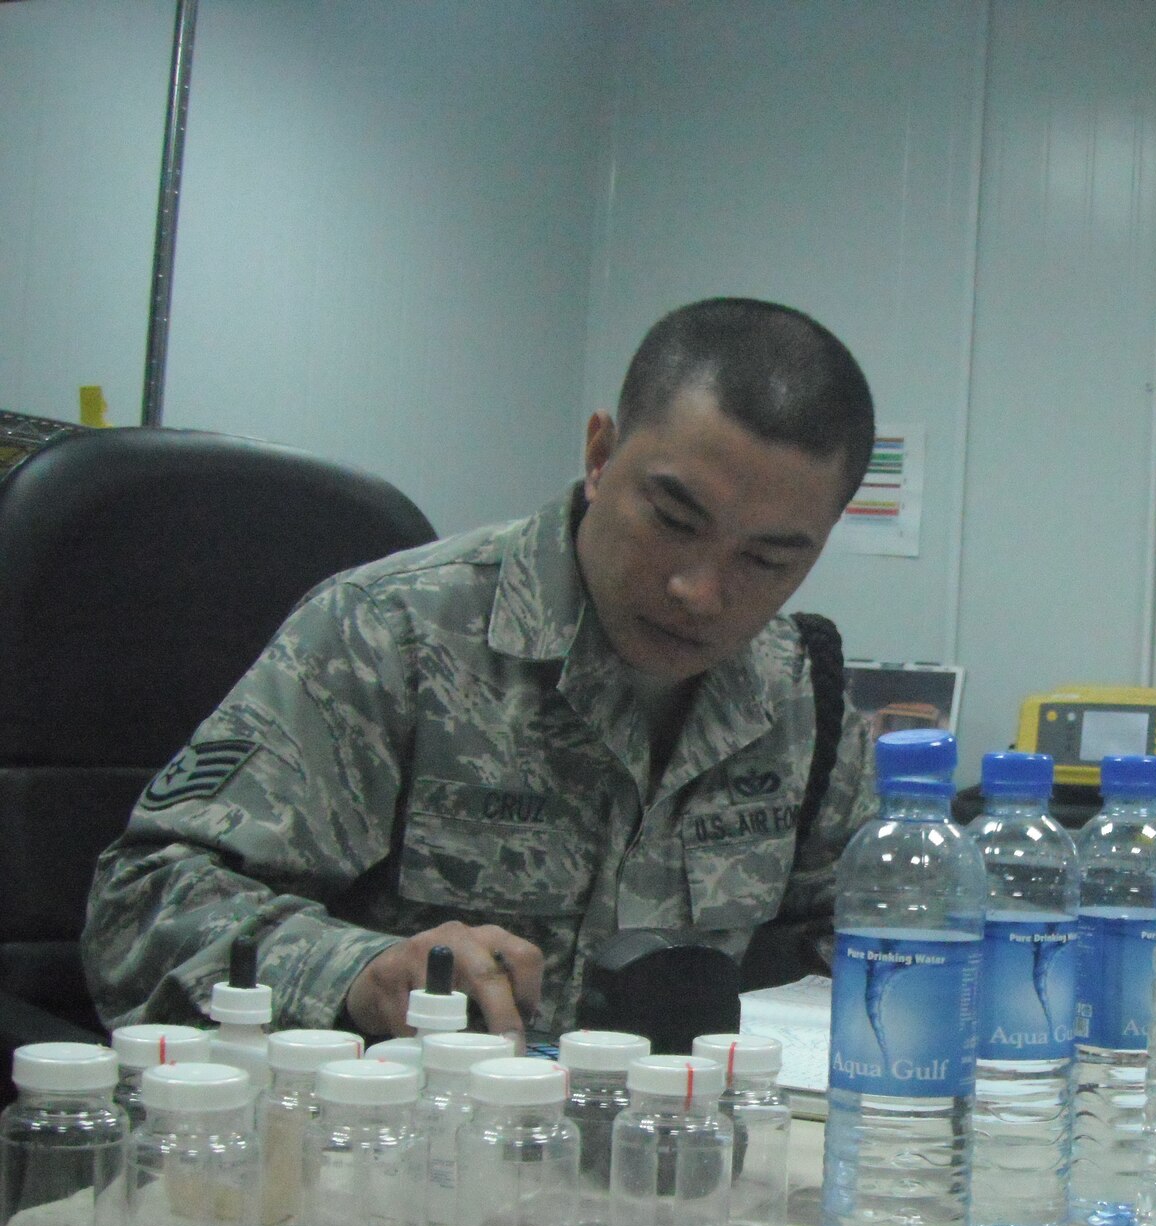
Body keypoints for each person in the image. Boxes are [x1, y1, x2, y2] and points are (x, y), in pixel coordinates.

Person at [83, 298, 879, 1042]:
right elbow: (141, 907)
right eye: (673, 519)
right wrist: (358, 971)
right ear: (600, 457)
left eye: (768, 558)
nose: (700, 593)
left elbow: (873, 941)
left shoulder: (807, 697)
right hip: (400, 1148)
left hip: (672, 1154)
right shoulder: (394, 636)